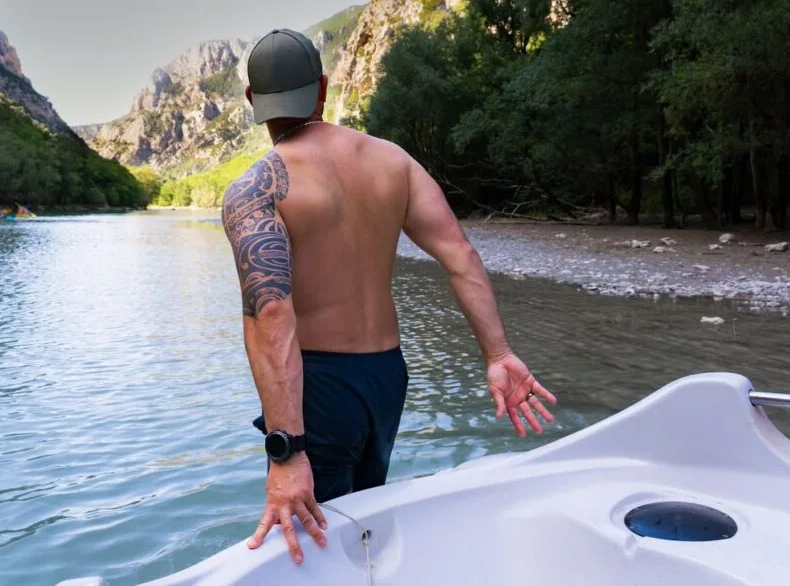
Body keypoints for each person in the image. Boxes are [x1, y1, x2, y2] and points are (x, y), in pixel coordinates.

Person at [220, 28, 558, 566]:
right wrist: (497, 355)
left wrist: (286, 451)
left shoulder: (256, 188)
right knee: (363, 524)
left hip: (320, 389)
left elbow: (272, 313)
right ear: (322, 88)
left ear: (252, 102)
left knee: (317, 546)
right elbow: (459, 254)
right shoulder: (394, 162)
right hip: (386, 379)